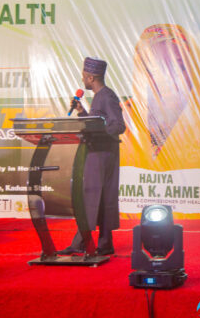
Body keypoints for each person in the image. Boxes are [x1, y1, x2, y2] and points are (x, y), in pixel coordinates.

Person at [120, 24, 200, 218]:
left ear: (194, 69)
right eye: (154, 68)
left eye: (178, 67)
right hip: (131, 231)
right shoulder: (120, 118)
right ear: (140, 72)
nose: (167, 78)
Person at [58, 57, 126, 256]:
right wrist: (82, 112)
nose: (82, 80)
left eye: (84, 77)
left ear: (91, 78)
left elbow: (118, 125)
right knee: (101, 198)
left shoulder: (106, 96)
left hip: (102, 154)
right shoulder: (99, 96)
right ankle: (105, 244)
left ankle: (80, 243)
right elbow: (97, 123)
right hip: (99, 153)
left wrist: (100, 132)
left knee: (89, 197)